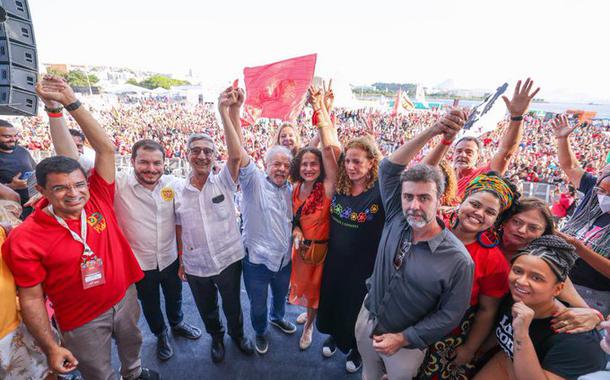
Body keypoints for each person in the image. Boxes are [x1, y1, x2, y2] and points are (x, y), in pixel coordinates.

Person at [2, 77, 158, 379]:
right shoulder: (24, 237)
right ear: (41, 190)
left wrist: (69, 103)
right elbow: (32, 298)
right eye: (60, 188)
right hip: (80, 319)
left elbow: (106, 150)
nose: (73, 193)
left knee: (132, 345)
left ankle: (135, 374)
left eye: (78, 184)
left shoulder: (97, 197)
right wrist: (50, 346)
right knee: (97, 370)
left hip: (123, 297)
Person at [40, 76, 202, 361]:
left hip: (169, 258)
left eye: (156, 163)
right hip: (137, 264)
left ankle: (176, 323)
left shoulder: (173, 185)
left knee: (175, 297)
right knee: (150, 304)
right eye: (144, 162)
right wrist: (56, 110)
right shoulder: (118, 183)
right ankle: (161, 333)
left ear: (165, 164)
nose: (150, 169)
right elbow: (70, 160)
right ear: (133, 160)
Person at [355, 109, 475, 380]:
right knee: (369, 372)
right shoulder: (396, 217)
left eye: (424, 198)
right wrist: (434, 130)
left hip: (405, 345)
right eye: (408, 196)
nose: (414, 205)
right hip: (367, 318)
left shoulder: (458, 259)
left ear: (439, 198)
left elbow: (451, 314)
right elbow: (389, 167)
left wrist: (404, 337)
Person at [174, 89, 254, 364]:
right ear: (187, 155)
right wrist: (182, 260)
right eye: (196, 151)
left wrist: (227, 112)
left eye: (208, 151)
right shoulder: (176, 190)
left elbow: (235, 155)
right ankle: (217, 338)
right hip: (196, 264)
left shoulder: (223, 182)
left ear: (214, 155)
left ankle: (238, 335)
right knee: (207, 308)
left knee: (233, 306)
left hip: (229, 259)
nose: (202, 156)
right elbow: (178, 228)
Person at [419, 173, 518, 379]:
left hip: (447, 335)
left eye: (490, 212)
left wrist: (469, 349)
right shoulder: (430, 229)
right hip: (406, 317)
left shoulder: (495, 262)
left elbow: (486, 310)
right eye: (475, 204)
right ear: (462, 201)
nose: (479, 213)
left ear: (496, 219)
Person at [224, 86, 297, 354]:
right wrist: (234, 110)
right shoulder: (254, 182)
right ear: (265, 165)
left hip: (284, 261)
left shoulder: (292, 189)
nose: (280, 168)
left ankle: (277, 319)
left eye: (285, 165)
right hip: (256, 262)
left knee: (280, 298)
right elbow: (238, 151)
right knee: (257, 304)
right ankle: (261, 331)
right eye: (275, 164)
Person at [474, 236, 607, 380]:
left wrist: (522, 334)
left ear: (558, 289)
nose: (521, 281)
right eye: (518, 271)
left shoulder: (578, 341)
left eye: (536, 278)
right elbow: (507, 352)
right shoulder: (517, 300)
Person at [316, 135, 385, 373]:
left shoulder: (380, 191)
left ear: (371, 162)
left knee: (357, 310)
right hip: (335, 262)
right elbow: (327, 149)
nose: (350, 167)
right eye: (347, 161)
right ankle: (336, 337)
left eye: (357, 162)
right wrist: (321, 109)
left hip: (364, 266)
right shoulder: (341, 184)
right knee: (334, 302)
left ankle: (356, 349)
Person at [424, 78, 540, 201]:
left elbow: (505, 153)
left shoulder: (484, 175)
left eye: (469, 152)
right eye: (459, 151)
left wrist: (517, 117)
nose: (462, 155)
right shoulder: (442, 176)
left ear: (478, 157)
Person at [289, 84, 340, 350]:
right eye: (304, 164)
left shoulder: (328, 187)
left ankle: (309, 326)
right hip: (301, 252)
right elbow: (295, 220)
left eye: (314, 164)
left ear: (320, 168)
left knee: (315, 293)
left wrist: (322, 112)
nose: (309, 167)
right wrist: (296, 232)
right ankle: (309, 312)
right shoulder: (296, 188)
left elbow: (330, 152)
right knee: (307, 292)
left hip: (320, 254)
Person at [550, 115, 610, 316]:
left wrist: (580, 248)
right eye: (602, 189)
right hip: (558, 276)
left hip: (591, 296)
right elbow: (571, 166)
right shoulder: (593, 189)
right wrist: (562, 139)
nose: (603, 196)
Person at [0, 119, 37, 217]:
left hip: (31, 207)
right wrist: (10, 186)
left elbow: (35, 170)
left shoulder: (22, 151)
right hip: (9, 213)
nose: (13, 139)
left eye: (15, 135)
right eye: (7, 136)